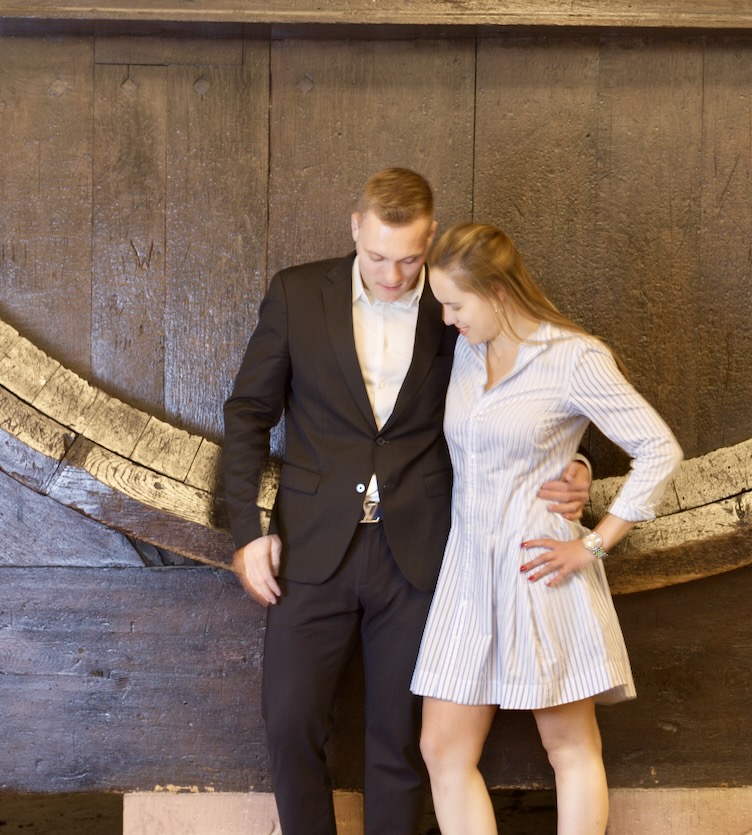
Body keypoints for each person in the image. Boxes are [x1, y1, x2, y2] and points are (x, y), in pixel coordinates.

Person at [222, 169, 590, 835]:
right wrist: (247, 532)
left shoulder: (458, 304)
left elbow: (538, 387)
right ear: (355, 227)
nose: (393, 276)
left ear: (432, 237)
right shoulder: (296, 293)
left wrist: (580, 462)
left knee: (398, 739)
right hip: (310, 546)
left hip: (422, 552)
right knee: (289, 722)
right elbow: (248, 413)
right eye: (378, 257)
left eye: (410, 260)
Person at [410, 222, 683, 835]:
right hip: (466, 571)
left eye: (456, 304)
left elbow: (659, 450)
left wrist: (593, 544)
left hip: (539, 567)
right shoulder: (468, 350)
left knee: (570, 746)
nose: (447, 318)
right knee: (442, 748)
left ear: (497, 292)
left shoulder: (573, 357)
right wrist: (578, 463)